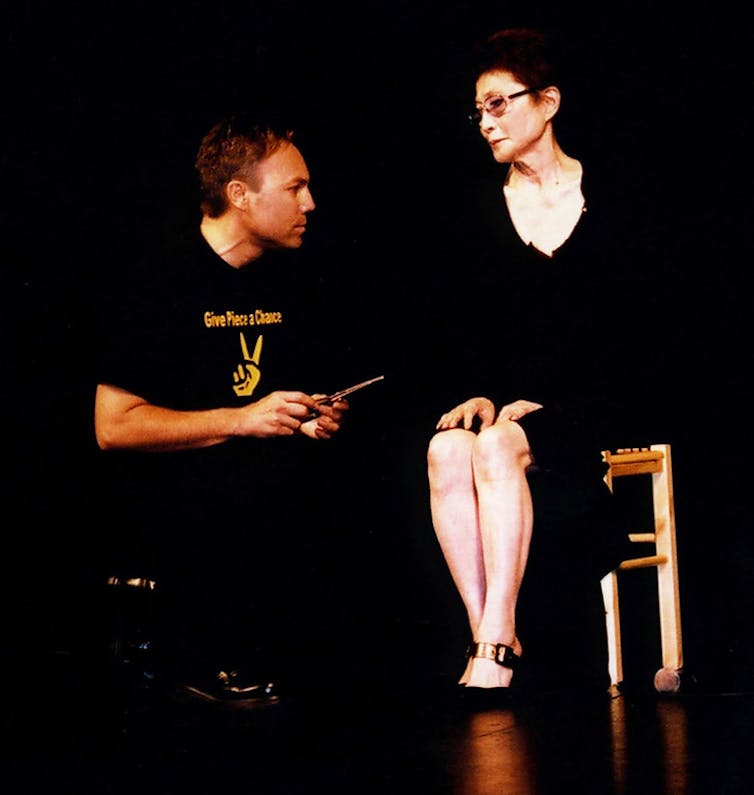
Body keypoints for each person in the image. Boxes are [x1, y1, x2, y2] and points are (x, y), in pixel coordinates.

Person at [94, 112, 357, 708]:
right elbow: (112, 427)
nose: (310, 203)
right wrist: (243, 419)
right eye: (295, 188)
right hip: (178, 488)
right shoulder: (159, 281)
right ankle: (202, 655)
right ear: (239, 195)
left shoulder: (284, 280)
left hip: (263, 484)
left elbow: (281, 402)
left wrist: (310, 416)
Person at [425, 27, 645, 696]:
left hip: (601, 398)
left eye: (499, 104)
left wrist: (545, 405)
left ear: (547, 102)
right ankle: (491, 634)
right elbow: (474, 333)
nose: (486, 122)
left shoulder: (611, 199)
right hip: (518, 408)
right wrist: (483, 391)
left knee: (495, 450)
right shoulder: (478, 215)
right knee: (447, 450)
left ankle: (494, 644)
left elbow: (634, 334)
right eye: (479, 110)